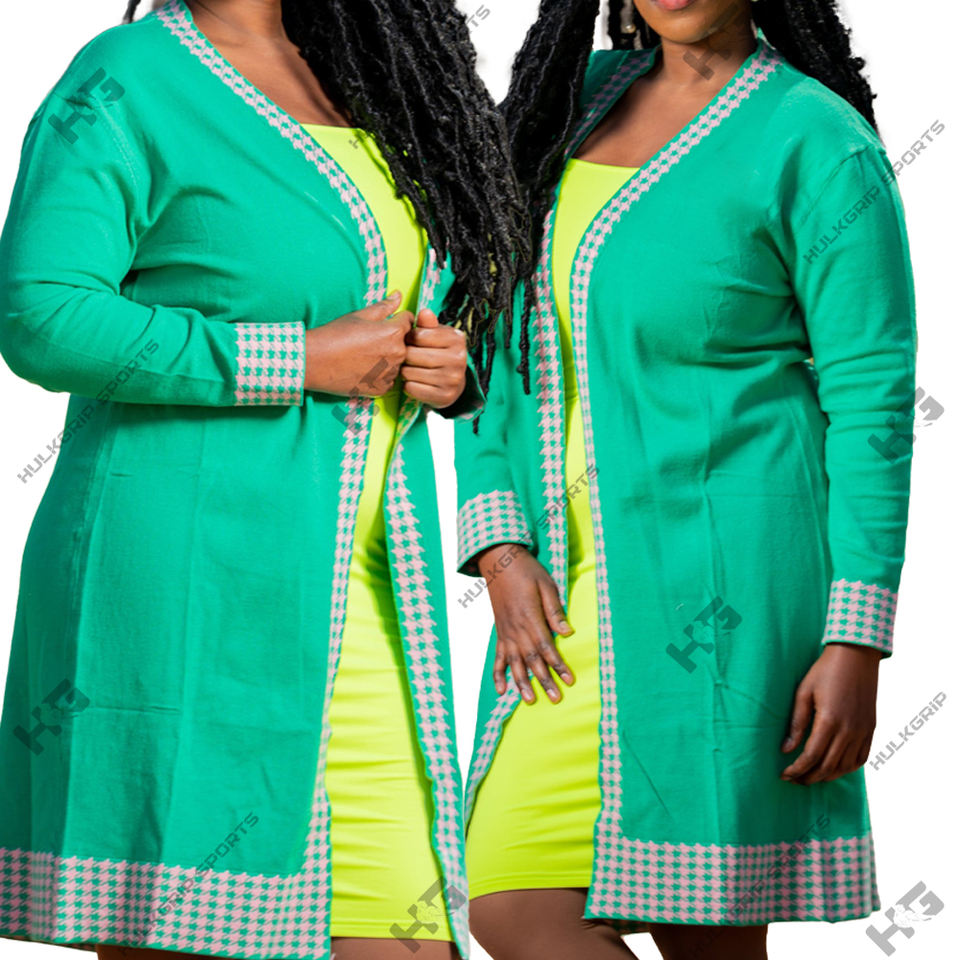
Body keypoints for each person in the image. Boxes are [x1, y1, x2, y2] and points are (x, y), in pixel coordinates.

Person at [0, 2, 525, 959]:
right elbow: (42, 314)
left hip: (373, 611)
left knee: (410, 937)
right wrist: (295, 359)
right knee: (192, 933)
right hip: (190, 598)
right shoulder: (128, 75)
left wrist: (446, 368)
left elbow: (405, 298)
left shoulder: (373, 76)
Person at [454, 1, 916, 958]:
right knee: (508, 894)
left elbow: (872, 404)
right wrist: (498, 545)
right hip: (567, 593)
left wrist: (856, 637)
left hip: (728, 592)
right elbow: (485, 343)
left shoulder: (815, 140)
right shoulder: (560, 108)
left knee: (704, 930)